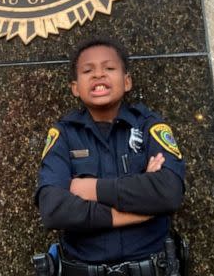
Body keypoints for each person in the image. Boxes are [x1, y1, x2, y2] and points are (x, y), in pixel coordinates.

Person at [35, 37, 185, 275]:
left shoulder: (149, 126)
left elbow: (168, 192)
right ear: (75, 87)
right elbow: (53, 209)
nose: (98, 75)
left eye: (109, 68)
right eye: (88, 70)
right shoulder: (63, 134)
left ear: (127, 82)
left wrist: (91, 189)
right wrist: (124, 214)